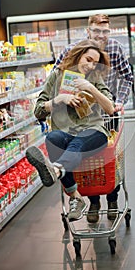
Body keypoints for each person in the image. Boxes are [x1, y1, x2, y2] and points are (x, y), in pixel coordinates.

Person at [53, 14, 133, 223]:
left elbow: (127, 76)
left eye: (105, 31)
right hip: (80, 115)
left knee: (111, 158)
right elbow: (55, 74)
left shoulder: (115, 48)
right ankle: (94, 201)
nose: (101, 35)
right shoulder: (74, 49)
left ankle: (113, 198)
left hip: (108, 112)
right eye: (96, 31)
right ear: (88, 31)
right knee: (88, 158)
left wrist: (120, 101)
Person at [26, 40, 115, 222]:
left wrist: (90, 88)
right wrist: (59, 99)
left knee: (80, 140)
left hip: (93, 131)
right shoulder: (57, 75)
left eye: (94, 63)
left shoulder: (95, 78)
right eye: (87, 59)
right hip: (65, 131)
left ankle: (57, 171)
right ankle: (76, 196)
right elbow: (38, 111)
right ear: (78, 54)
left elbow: (110, 108)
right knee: (53, 138)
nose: (90, 66)